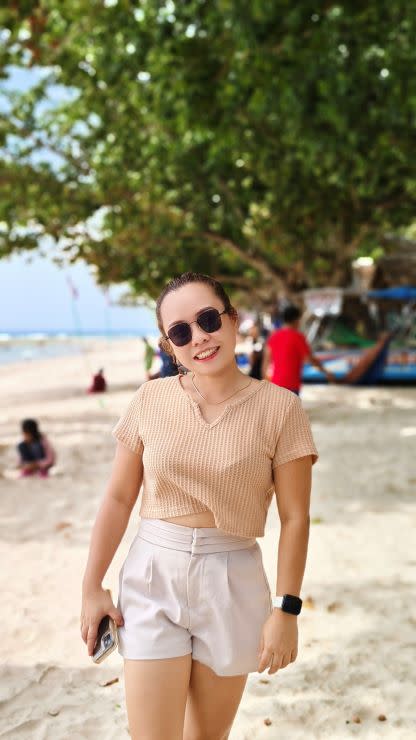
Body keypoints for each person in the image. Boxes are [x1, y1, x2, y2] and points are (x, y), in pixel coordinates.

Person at [81, 272, 319, 740]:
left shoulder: (281, 409)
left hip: (233, 579)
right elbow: (119, 497)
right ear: (169, 346)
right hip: (153, 577)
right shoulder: (151, 399)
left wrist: (286, 611)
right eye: (181, 331)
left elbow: (295, 518)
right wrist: (92, 586)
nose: (200, 338)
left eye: (208, 319)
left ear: (233, 321)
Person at [262, 305, 336, 394]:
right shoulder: (298, 337)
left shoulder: (274, 336)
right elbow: (310, 359)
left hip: (275, 384)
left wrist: (264, 380)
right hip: (291, 385)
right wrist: (326, 372)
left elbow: (266, 361)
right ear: (296, 320)